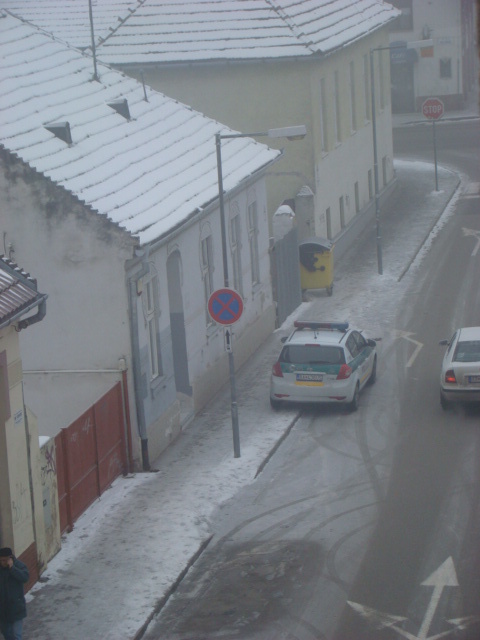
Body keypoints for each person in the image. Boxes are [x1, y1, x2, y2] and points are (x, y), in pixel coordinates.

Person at [0, 547, 29, 640]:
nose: (3, 562)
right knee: (7, 634)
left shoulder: (19, 565)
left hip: (16, 607)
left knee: (16, 635)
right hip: (3, 609)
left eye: (5, 560)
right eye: (1, 560)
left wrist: (12, 568)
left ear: (10, 558)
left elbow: (25, 577)